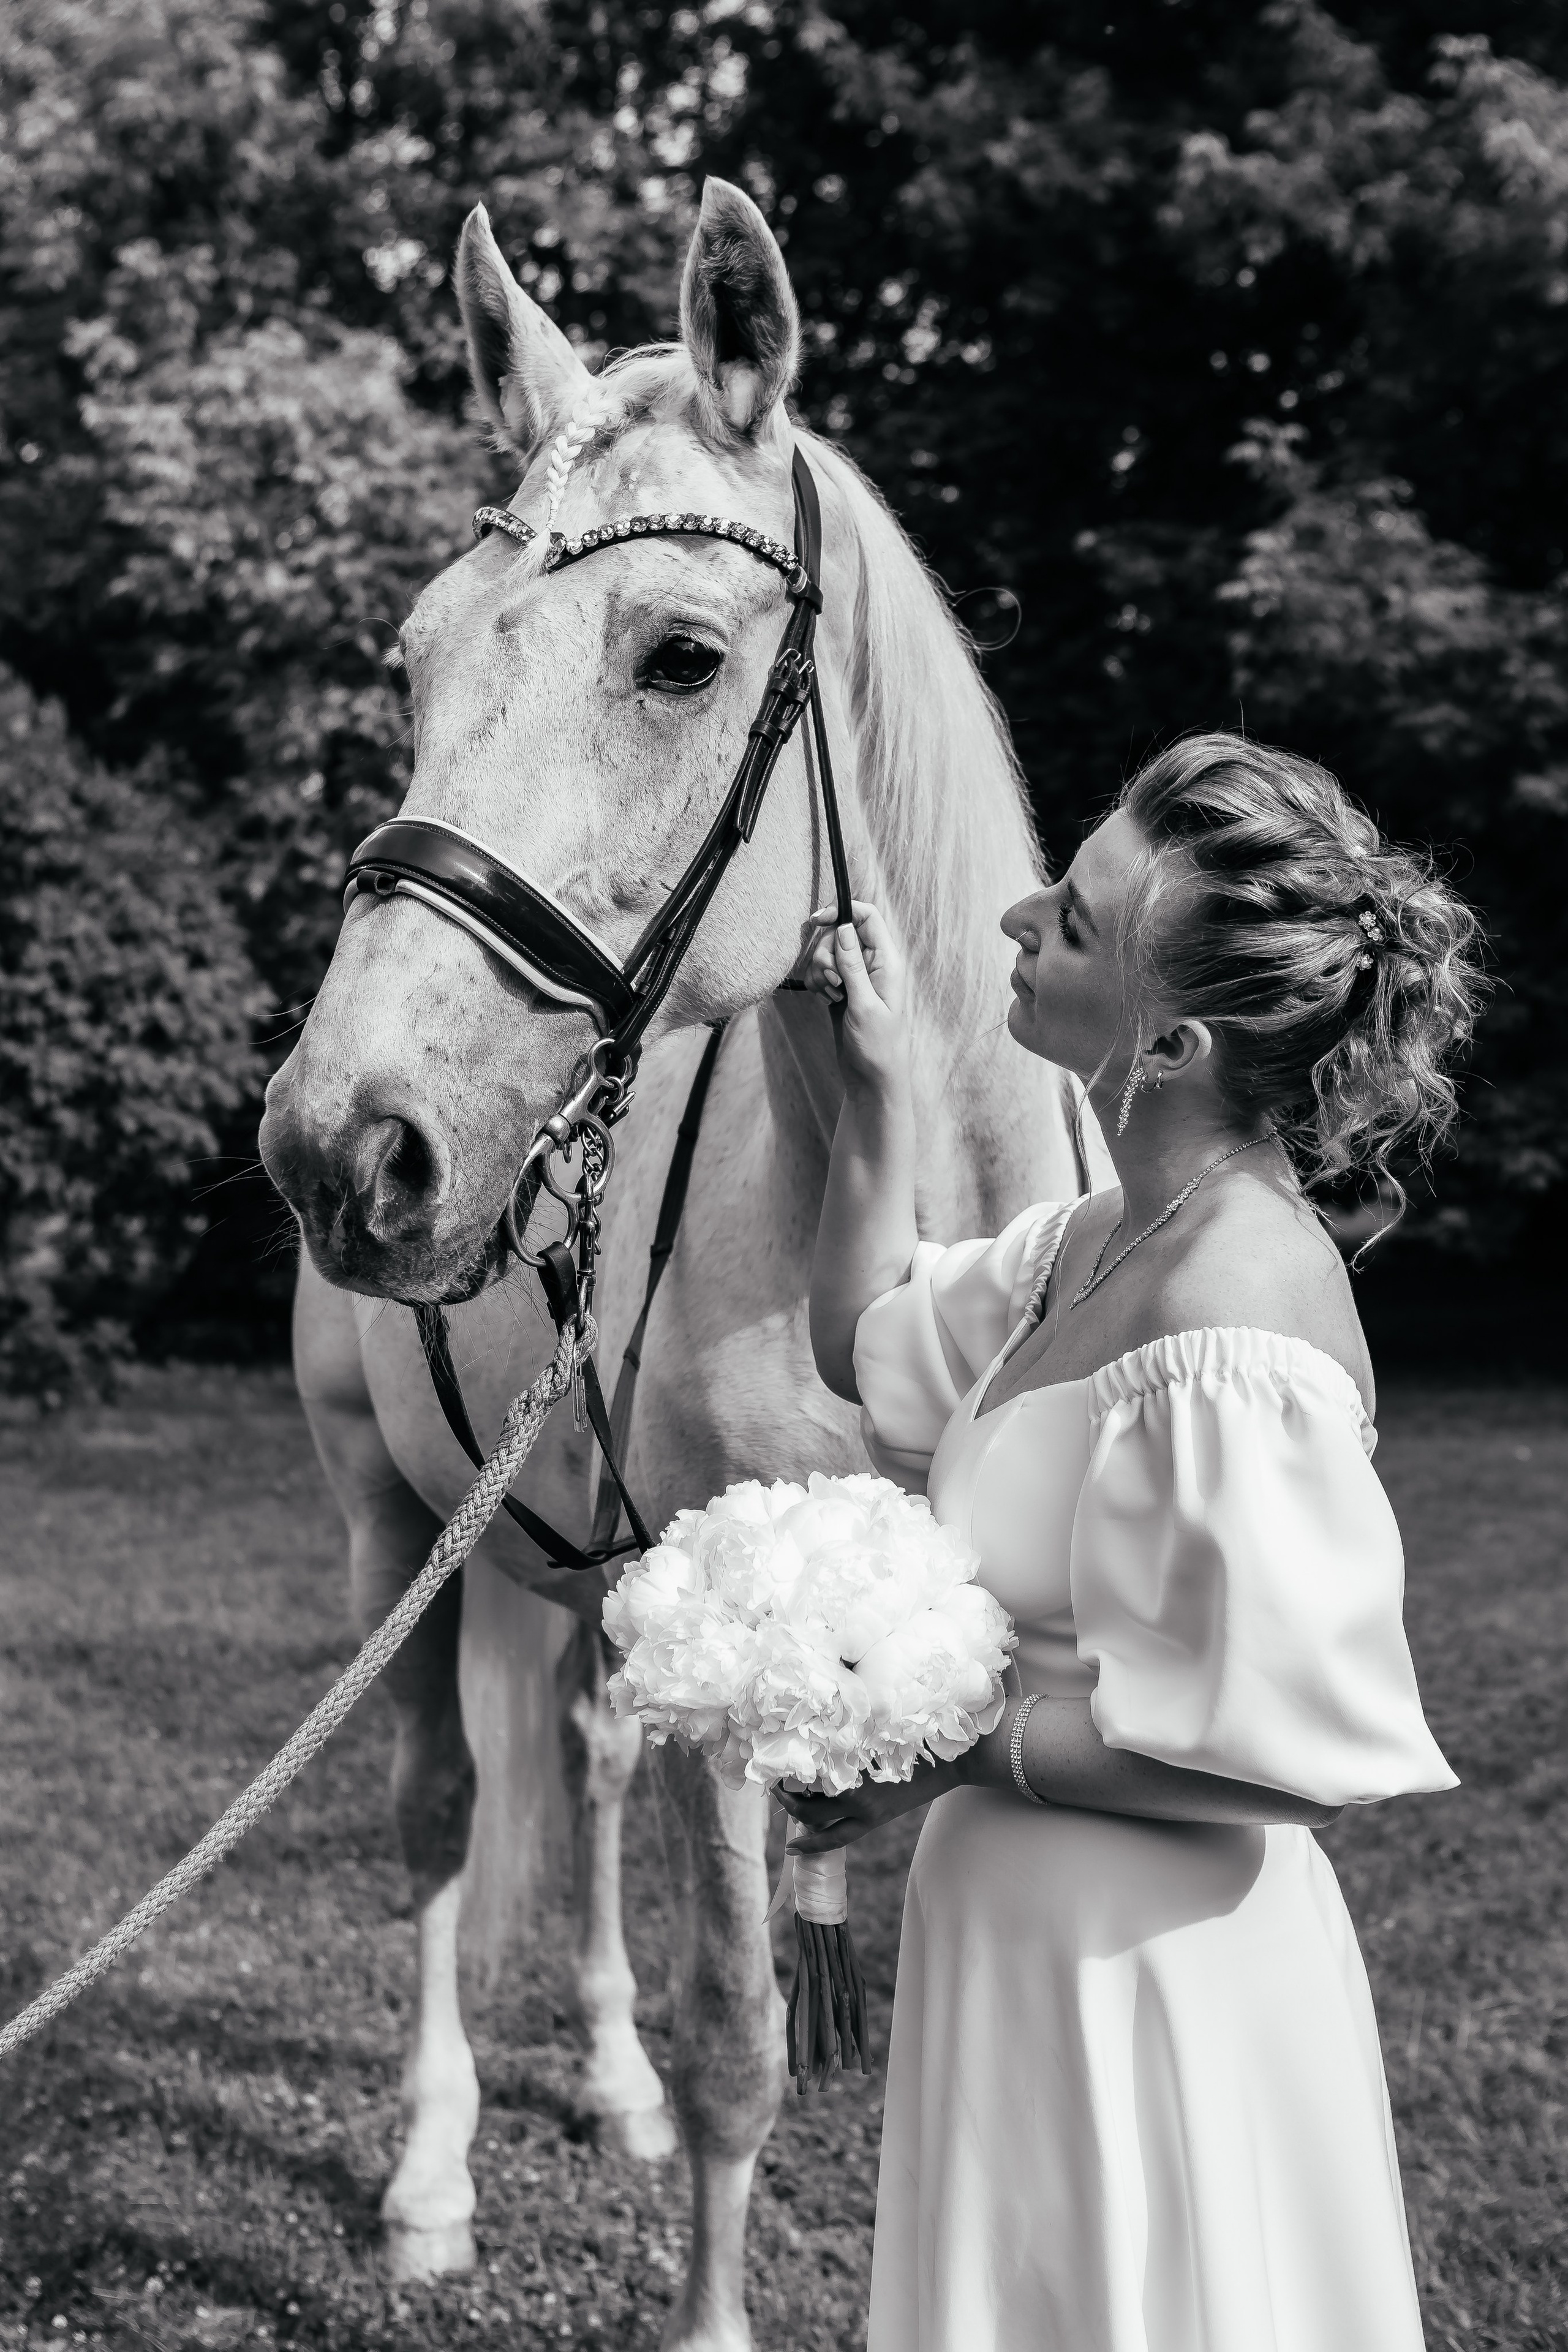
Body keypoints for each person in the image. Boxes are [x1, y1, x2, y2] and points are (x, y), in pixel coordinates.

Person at [787, 733, 1486, 2352]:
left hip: (1155, 1981)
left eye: (1076, 921)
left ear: (1171, 1039)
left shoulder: (1236, 1306)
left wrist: (947, 1751)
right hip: (1015, 1955)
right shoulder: (1100, 1240)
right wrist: (875, 1091)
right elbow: (865, 1343)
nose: (1019, 918)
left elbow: (1288, 1764)